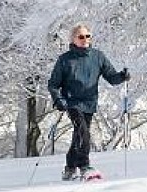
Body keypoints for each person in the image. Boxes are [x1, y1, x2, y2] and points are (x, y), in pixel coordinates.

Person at [48, 22, 130, 180]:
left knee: (79, 134)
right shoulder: (65, 60)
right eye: (81, 36)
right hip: (71, 102)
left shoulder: (97, 56)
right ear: (73, 40)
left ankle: (70, 167)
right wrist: (58, 99)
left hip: (89, 102)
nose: (85, 39)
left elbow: (111, 77)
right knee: (82, 132)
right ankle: (84, 165)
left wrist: (122, 76)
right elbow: (53, 84)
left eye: (87, 36)